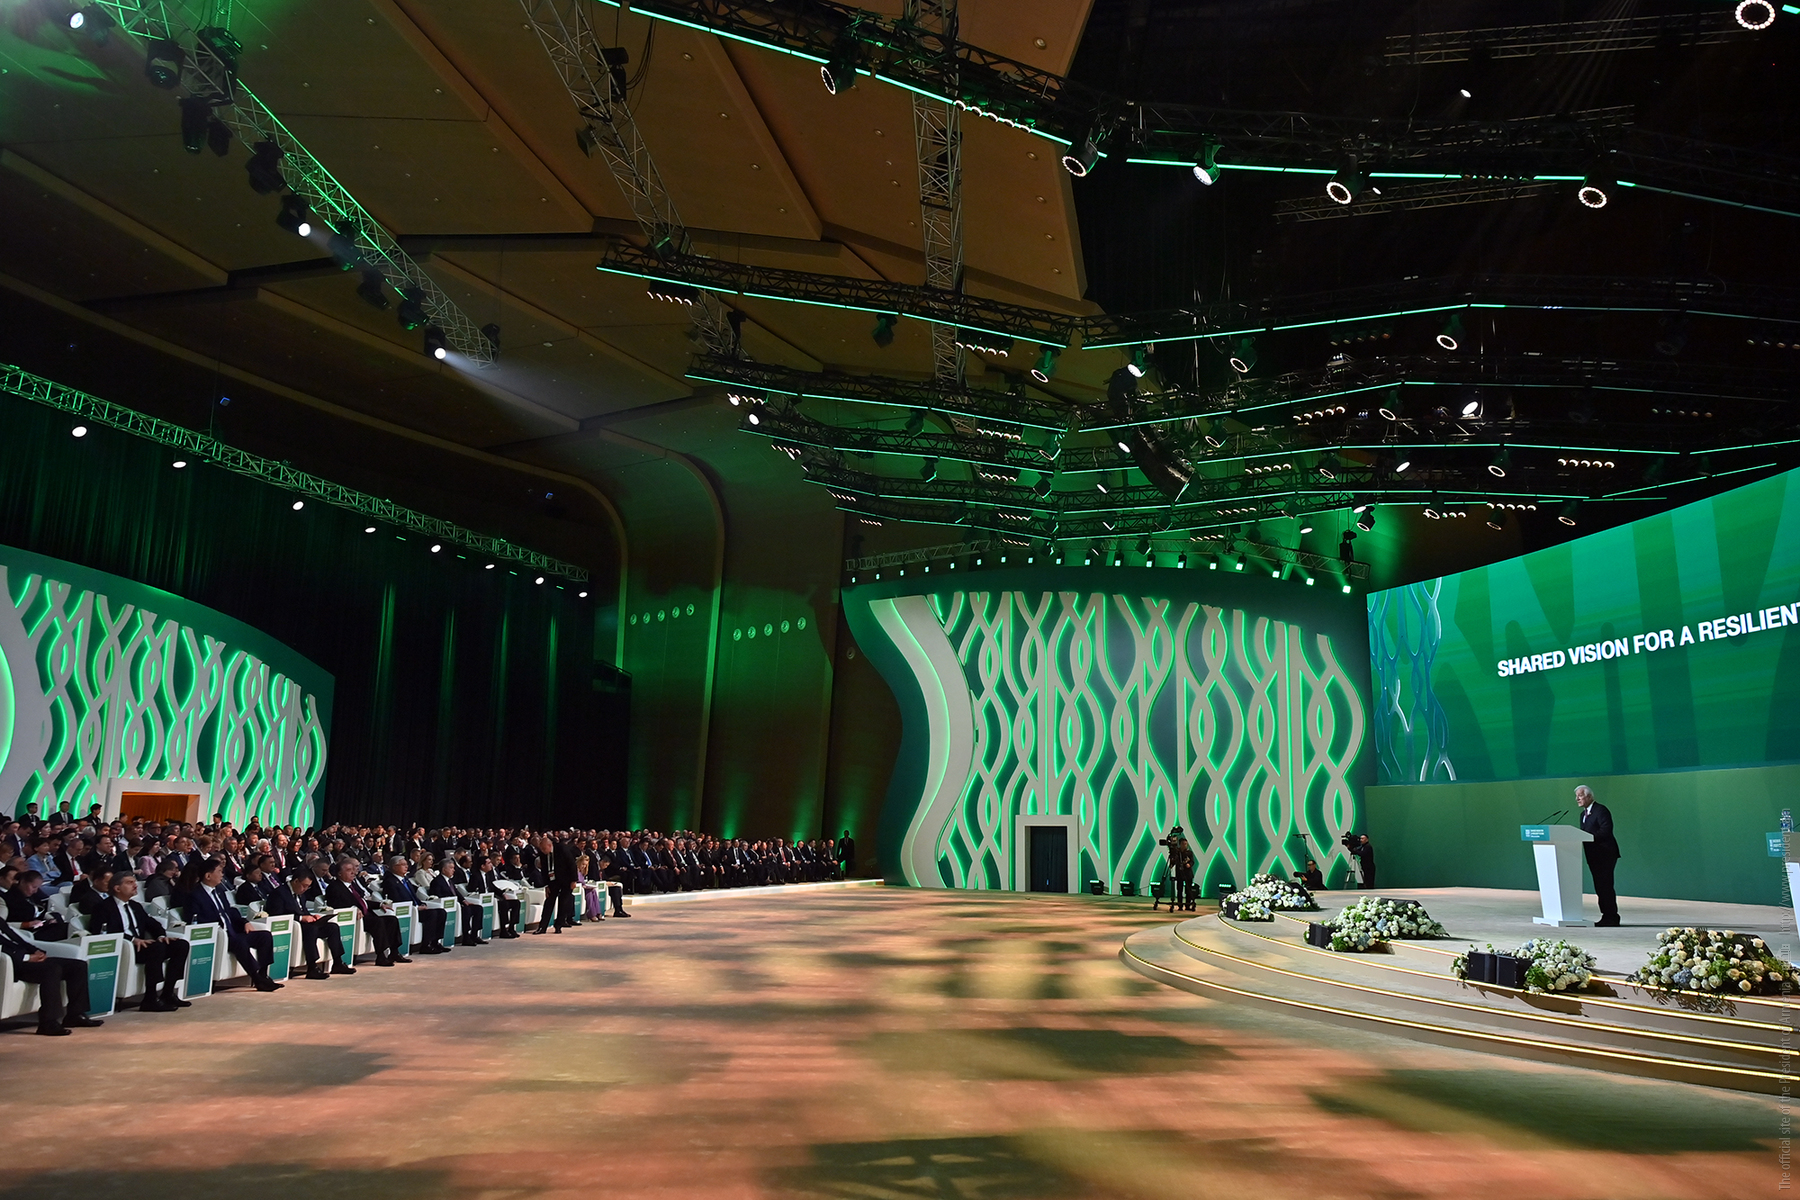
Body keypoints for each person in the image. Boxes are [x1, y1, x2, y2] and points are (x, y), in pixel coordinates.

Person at [87, 871, 191, 1011]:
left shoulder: (135, 906)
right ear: (117, 888)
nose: (135, 885)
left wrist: (161, 936)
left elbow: (152, 924)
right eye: (129, 883)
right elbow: (104, 932)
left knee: (181, 945)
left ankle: (168, 993)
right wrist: (132, 939)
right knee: (157, 948)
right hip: (125, 947)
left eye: (135, 882)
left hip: (143, 946)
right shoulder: (103, 908)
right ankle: (150, 999)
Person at [179, 856, 283, 992]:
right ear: (208, 876)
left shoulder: (219, 892)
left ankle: (263, 974)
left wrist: (245, 922)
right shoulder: (194, 895)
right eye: (219, 871)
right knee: (240, 943)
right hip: (218, 935)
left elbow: (230, 912)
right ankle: (257, 979)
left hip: (232, 932)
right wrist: (219, 928)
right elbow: (194, 919)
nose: (222, 874)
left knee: (265, 936)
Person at [0, 912, 102, 1034]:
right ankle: (48, 1022)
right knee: (52, 969)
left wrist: (36, 951)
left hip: (26, 958)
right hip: (12, 964)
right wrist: (27, 957)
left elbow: (18, 940)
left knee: (78, 966)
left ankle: (75, 1015)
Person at [266, 868, 354, 979]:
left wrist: (312, 916)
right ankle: (312, 968)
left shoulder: (300, 893)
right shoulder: (279, 893)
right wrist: (300, 918)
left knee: (333, 927)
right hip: (291, 926)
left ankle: (338, 963)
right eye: (304, 885)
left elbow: (303, 910)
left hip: (305, 925)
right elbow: (277, 914)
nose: (305, 889)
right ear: (296, 881)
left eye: (308, 887)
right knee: (311, 930)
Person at [327, 857, 407, 966]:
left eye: (353, 869)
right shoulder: (334, 887)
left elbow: (362, 901)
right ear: (340, 874)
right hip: (354, 918)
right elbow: (337, 904)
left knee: (391, 920)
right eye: (348, 870)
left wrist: (379, 904)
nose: (353, 872)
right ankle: (380, 956)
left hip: (366, 915)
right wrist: (353, 909)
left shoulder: (352, 885)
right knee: (377, 922)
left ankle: (394, 952)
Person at [1576, 784, 1621, 926]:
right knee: (1600, 887)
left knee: (1605, 886)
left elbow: (1606, 830)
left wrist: (1588, 837)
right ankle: (1606, 915)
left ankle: (1611, 917)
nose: (1577, 799)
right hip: (1593, 856)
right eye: (1576, 796)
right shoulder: (1583, 815)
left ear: (1589, 796)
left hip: (1605, 854)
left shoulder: (1601, 810)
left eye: (1580, 796)